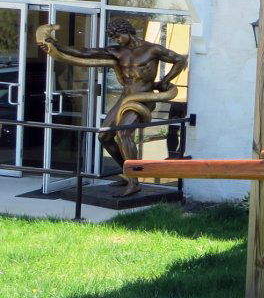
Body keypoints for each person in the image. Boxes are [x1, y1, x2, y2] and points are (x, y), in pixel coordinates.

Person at [38, 18, 186, 196]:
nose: (117, 40)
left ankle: (134, 181)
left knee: (124, 133)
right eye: (114, 37)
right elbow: (85, 53)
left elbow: (179, 60)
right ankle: (126, 171)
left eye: (118, 36)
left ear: (127, 31)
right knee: (104, 136)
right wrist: (56, 46)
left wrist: (165, 81)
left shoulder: (152, 49)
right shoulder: (116, 52)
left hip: (143, 98)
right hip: (126, 97)